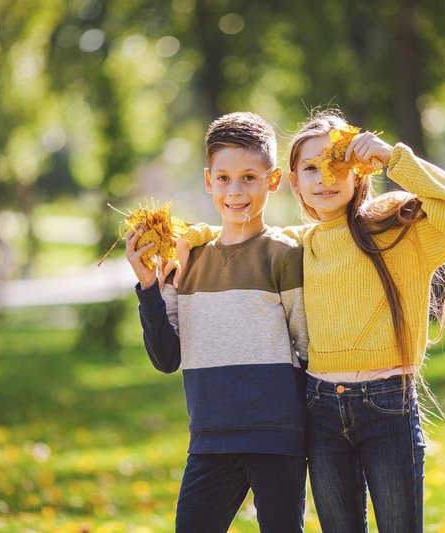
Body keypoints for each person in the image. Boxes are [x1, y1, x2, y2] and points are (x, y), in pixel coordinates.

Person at [180, 109, 445, 532]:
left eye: (337, 164)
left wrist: (392, 157)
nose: (324, 178)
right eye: (310, 168)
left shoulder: (396, 229)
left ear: (359, 172)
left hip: (388, 405)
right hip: (322, 409)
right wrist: (194, 236)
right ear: (293, 182)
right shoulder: (301, 244)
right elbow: (239, 235)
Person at [127, 112, 309, 533]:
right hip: (210, 440)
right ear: (209, 181)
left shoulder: (283, 256)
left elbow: (306, 350)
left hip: (276, 441)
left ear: (273, 180)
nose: (236, 191)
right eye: (224, 178)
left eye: (249, 177)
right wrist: (150, 287)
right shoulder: (186, 260)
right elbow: (166, 358)